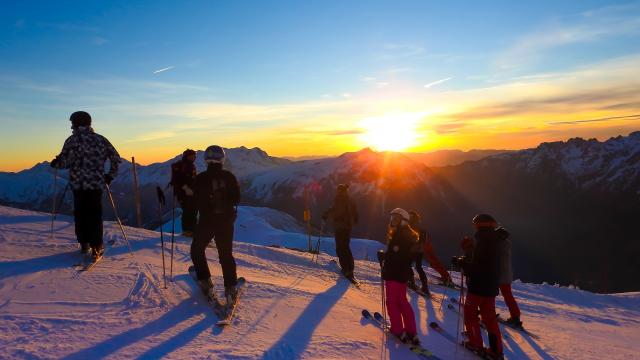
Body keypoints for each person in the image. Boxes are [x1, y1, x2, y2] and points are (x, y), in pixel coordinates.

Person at [50, 111, 121, 260]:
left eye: (72, 123)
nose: (71, 126)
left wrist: (56, 163)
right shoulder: (101, 140)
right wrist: (110, 176)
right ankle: (97, 245)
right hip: (96, 184)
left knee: (80, 214)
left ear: (77, 123)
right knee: (95, 214)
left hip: (78, 184)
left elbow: (65, 162)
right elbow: (115, 158)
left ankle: (84, 243)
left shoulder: (72, 140)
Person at [190, 145, 240, 303]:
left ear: (206, 160)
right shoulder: (229, 176)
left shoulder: (200, 178)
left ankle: (205, 281)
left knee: (197, 249)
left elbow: (193, 201)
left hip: (207, 221)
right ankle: (230, 288)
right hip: (225, 221)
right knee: (225, 254)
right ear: (222, 159)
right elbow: (236, 199)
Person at [453, 213, 505, 360]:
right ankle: (496, 351)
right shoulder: (495, 240)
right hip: (491, 286)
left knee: (470, 315)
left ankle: (476, 344)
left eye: (475, 223)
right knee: (489, 319)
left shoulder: (482, 241)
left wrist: (462, 264)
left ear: (480, 225)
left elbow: (477, 267)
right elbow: (485, 264)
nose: (473, 226)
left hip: (478, 287)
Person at [377, 208, 422, 345]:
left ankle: (397, 330)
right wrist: (387, 256)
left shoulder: (399, 235)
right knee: (402, 301)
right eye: (392, 218)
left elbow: (396, 256)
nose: (392, 221)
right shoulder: (409, 234)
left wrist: (385, 258)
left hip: (393, 274)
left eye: (395, 218)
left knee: (392, 302)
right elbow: (403, 255)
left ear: (403, 220)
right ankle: (411, 332)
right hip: (402, 274)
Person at [407, 210, 452, 293]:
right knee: (418, 267)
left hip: (412, 250)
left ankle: (411, 282)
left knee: (408, 265)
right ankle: (425, 286)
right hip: (420, 251)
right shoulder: (421, 229)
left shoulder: (410, 228)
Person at [322, 184, 358, 280]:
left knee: (341, 248)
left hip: (341, 227)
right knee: (345, 247)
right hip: (346, 227)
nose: (337, 192)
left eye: (338, 190)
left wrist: (327, 214)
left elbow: (337, 211)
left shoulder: (340, 199)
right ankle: (349, 268)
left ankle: (346, 268)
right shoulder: (348, 199)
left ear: (339, 191)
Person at [498, 226, 522, 327]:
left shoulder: (500, 246)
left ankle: (515, 317)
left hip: (501, 276)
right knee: (508, 296)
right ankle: (515, 317)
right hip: (506, 275)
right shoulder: (505, 245)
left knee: (490, 294)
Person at [171, 149, 197, 237]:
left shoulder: (190, 165)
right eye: (193, 156)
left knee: (192, 210)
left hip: (191, 192)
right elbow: (178, 179)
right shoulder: (183, 166)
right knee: (188, 211)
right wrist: (186, 188)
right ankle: (187, 230)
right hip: (183, 193)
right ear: (188, 156)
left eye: (195, 156)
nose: (194, 157)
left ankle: (192, 230)